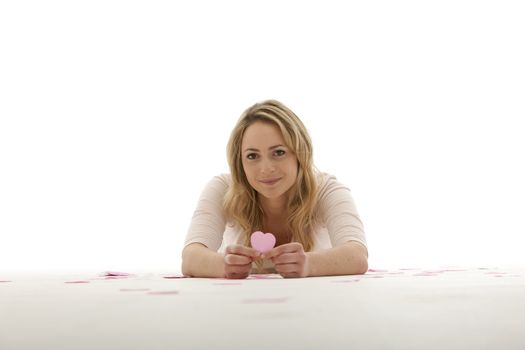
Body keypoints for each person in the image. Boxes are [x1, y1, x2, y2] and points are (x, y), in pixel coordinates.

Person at [181, 100, 368, 279]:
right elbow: (190, 257)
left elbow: (357, 256)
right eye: (252, 156)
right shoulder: (222, 188)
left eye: (278, 152)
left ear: (300, 154)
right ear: (240, 162)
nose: (266, 169)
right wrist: (224, 265)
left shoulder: (327, 189)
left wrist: (308, 264)